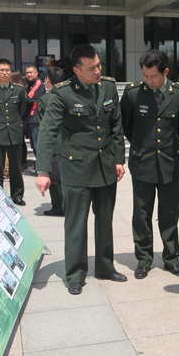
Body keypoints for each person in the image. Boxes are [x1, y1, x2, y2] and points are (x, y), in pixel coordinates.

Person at [36, 44, 127, 294]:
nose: (98, 71)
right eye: (91, 68)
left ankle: (105, 267)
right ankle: (75, 273)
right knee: (76, 224)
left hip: (105, 167)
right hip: (76, 170)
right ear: (76, 71)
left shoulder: (108, 86)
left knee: (105, 221)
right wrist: (43, 171)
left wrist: (119, 159)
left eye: (98, 65)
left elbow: (115, 126)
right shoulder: (62, 94)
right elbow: (47, 132)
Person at [120, 49, 179, 279]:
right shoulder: (133, 94)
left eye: (153, 76)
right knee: (141, 214)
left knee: (169, 213)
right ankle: (143, 259)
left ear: (165, 72)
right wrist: (141, 145)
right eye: (145, 76)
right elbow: (126, 126)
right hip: (143, 163)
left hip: (169, 163)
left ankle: (171, 258)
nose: (148, 81)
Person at [0, 59, 27, 206]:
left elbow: (21, 111)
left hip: (14, 132)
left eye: (7, 70)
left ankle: (17, 194)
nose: (4, 73)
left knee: (15, 165)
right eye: (1, 70)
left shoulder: (19, 90)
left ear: (10, 71)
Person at [36, 66, 65, 217]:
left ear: (47, 80)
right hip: (69, 144)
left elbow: (44, 126)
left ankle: (58, 207)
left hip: (54, 144)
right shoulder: (70, 95)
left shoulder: (45, 99)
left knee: (53, 180)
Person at [24, 65, 44, 160]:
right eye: (27, 73)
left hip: (34, 118)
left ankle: (42, 169)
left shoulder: (38, 83)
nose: (28, 74)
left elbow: (29, 99)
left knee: (37, 146)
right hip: (29, 119)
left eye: (31, 72)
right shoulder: (29, 84)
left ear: (36, 73)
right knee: (33, 145)